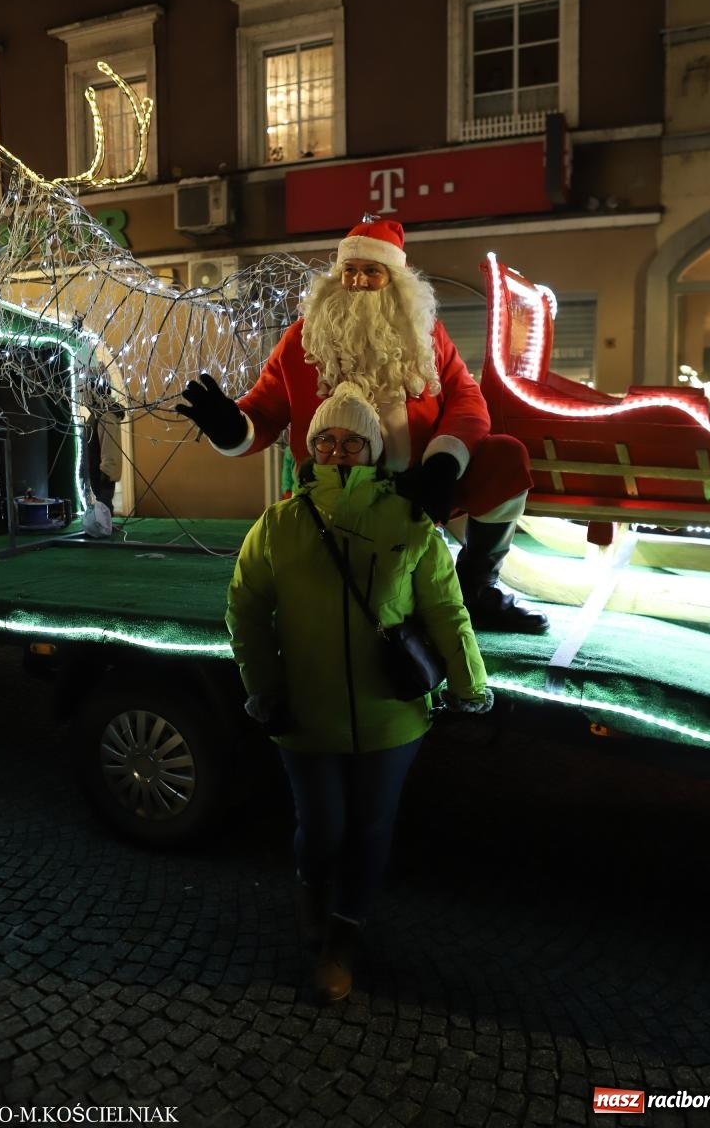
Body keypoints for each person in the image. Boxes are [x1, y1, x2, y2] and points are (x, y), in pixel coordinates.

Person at [225, 382, 492, 1003]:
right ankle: (312, 902)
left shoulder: (408, 521)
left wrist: (468, 684)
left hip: (391, 719)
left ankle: (344, 938)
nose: (339, 451)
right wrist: (263, 688)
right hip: (307, 714)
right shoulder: (279, 523)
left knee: (370, 830)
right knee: (320, 829)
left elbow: (446, 608)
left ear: (373, 452)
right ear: (311, 450)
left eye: (353, 442)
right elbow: (245, 607)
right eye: (327, 440)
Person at [177, 218, 548, 634]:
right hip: (338, 492)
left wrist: (444, 463)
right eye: (349, 271)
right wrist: (231, 428)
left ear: (395, 281)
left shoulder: (426, 334)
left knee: (505, 458)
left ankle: (477, 588)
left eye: (372, 271)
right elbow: (262, 411)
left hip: (419, 487)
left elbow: (466, 398)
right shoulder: (303, 340)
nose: (357, 282)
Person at [84, 372, 125, 516]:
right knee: (101, 507)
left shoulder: (107, 416)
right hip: (95, 468)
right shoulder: (96, 414)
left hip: (103, 472)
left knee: (104, 506)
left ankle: (105, 528)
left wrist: (106, 472)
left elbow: (109, 447)